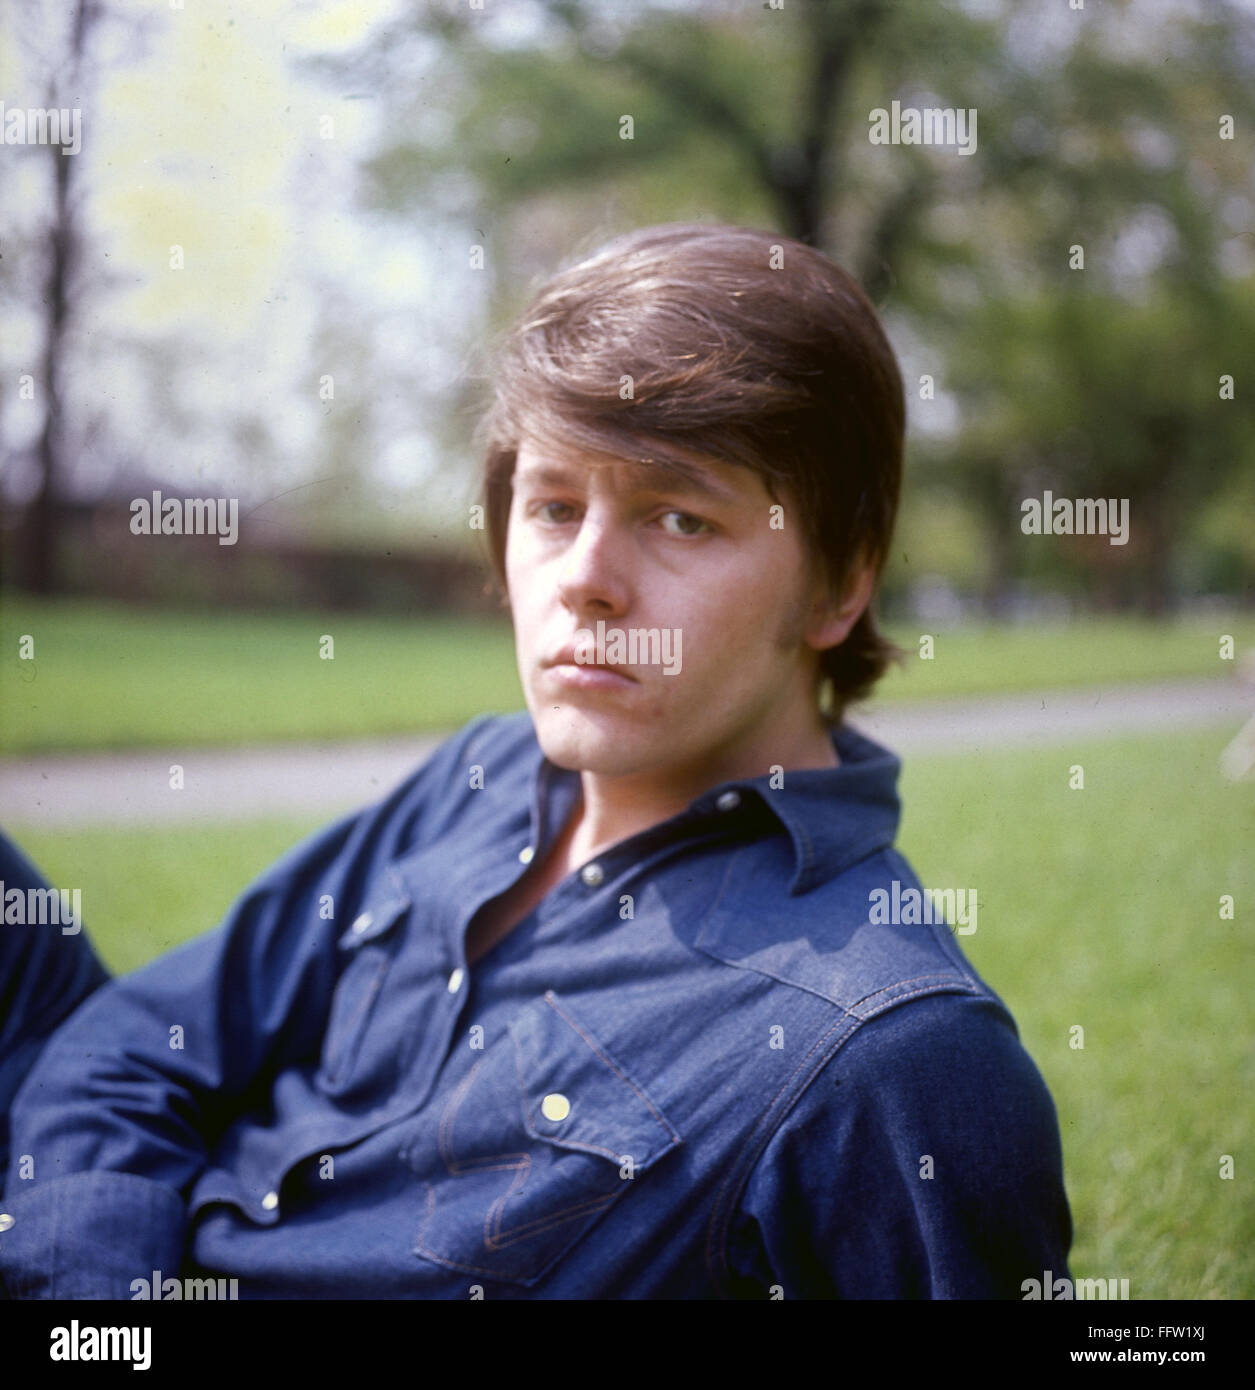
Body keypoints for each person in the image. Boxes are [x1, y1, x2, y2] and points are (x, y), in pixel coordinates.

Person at [0, 222, 1071, 1299]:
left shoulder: (895, 1057)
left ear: (841, 582)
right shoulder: (483, 774)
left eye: (681, 519)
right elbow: (136, 1044)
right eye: (554, 506)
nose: (586, 579)